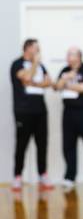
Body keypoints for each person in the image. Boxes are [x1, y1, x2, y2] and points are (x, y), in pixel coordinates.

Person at [10, 38, 53, 191]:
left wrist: (34, 83)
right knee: (22, 145)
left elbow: (49, 82)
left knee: (42, 144)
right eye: (36, 47)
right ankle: (17, 177)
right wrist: (34, 64)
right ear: (27, 48)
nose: (38, 50)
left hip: (40, 111)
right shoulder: (17, 64)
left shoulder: (41, 66)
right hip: (23, 112)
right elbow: (26, 77)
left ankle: (43, 175)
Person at [55, 47, 83, 188]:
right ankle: (69, 177)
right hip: (68, 114)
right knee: (68, 146)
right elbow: (56, 86)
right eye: (68, 54)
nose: (68, 57)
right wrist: (65, 79)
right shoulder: (64, 70)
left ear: (79, 57)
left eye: (71, 54)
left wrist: (66, 83)